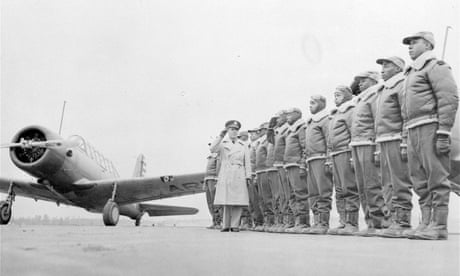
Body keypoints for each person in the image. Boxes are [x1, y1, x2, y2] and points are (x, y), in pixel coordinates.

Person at [401, 31, 458, 240]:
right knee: (419, 180)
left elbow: (449, 98)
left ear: (427, 45)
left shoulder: (436, 67)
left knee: (437, 177)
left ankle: (439, 225)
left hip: (430, 126)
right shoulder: (410, 75)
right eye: (409, 43)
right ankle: (426, 223)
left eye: (414, 42)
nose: (409, 46)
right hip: (412, 128)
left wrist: (443, 132)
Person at [374, 56, 413, 238]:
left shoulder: (401, 85)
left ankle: (403, 221)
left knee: (399, 181)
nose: (382, 69)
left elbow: (406, 114)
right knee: (387, 183)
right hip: (383, 139)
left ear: (398, 68)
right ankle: (392, 220)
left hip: (396, 138)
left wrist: (405, 141)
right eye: (382, 65)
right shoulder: (384, 89)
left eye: (387, 65)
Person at [350, 70, 391, 237]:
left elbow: (378, 120)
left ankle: (381, 221)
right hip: (357, 142)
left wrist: (377, 146)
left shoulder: (376, 95)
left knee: (372, 184)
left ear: (373, 80)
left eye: (363, 80)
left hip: (369, 142)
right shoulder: (360, 98)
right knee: (362, 186)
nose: (359, 83)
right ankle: (370, 222)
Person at [327, 86, 360, 235]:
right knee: (339, 190)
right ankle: (343, 221)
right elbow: (329, 139)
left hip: (345, 152)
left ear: (347, 96)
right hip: (335, 154)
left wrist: (353, 155)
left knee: (349, 188)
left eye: (338, 95)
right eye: (334, 96)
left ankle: (352, 223)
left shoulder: (350, 111)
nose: (335, 98)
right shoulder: (334, 115)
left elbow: (354, 132)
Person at [210, 120, 252, 232]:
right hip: (226, 172)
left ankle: (235, 225)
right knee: (226, 199)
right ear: (227, 130)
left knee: (238, 200)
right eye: (231, 129)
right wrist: (220, 136)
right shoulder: (223, 144)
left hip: (239, 173)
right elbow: (212, 149)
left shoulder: (243, 145)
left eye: (236, 130)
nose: (234, 132)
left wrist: (248, 176)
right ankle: (226, 224)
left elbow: (247, 161)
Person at [303, 95, 332, 234]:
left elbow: (329, 140)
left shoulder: (325, 119)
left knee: (323, 191)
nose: (310, 105)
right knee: (313, 192)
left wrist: (328, 159)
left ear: (322, 104)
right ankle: (316, 221)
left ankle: (324, 222)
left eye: (313, 103)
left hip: (321, 158)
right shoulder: (310, 122)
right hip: (310, 159)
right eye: (310, 102)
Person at [283, 107, 310, 233]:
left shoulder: (301, 128)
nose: (287, 117)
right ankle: (297, 219)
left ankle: (303, 222)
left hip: (296, 164)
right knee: (293, 195)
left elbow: (305, 147)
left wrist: (303, 165)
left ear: (298, 115)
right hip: (289, 165)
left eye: (290, 115)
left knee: (300, 193)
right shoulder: (291, 130)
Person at [272, 110, 295, 232]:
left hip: (284, 164)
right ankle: (285, 220)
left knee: (288, 193)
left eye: (279, 117)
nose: (277, 120)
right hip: (279, 164)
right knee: (282, 194)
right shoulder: (279, 130)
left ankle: (290, 220)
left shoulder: (287, 129)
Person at [254, 122, 274, 232]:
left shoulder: (268, 141)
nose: (259, 132)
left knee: (268, 197)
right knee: (262, 198)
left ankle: (271, 221)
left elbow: (268, 157)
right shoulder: (260, 142)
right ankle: (267, 220)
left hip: (266, 171)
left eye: (261, 130)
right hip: (260, 171)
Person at [204, 144, 222, 229]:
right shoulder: (211, 157)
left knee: (215, 202)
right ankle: (214, 221)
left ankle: (218, 222)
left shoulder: (218, 156)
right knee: (210, 202)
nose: (211, 147)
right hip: (208, 180)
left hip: (213, 180)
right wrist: (205, 182)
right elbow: (206, 172)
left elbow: (218, 169)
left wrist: (217, 180)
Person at [237, 130, 252, 230]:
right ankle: (242, 221)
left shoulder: (247, 146)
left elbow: (248, 163)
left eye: (240, 137)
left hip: (246, 175)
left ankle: (247, 222)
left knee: (247, 200)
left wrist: (248, 176)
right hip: (239, 176)